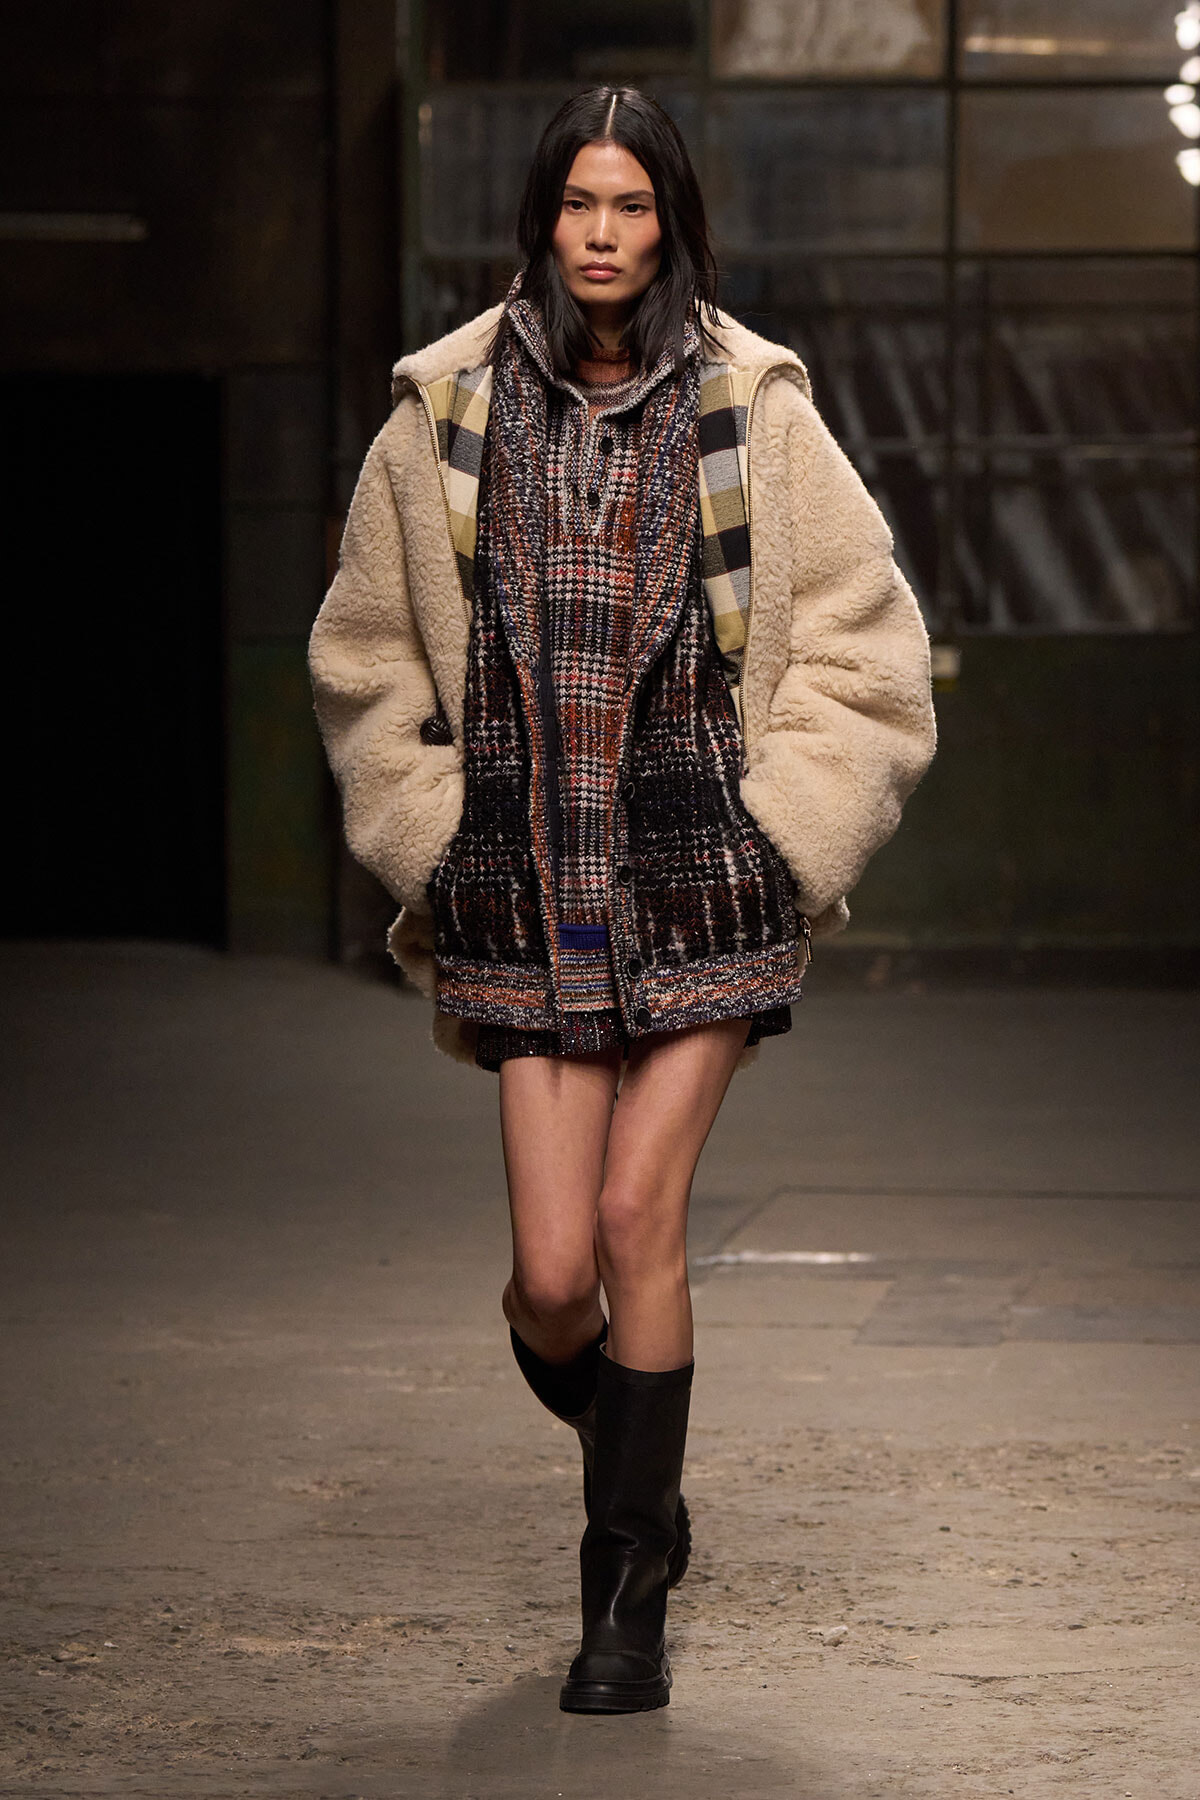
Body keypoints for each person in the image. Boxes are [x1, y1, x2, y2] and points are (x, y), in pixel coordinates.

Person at [308, 85, 936, 1716]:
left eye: (633, 207)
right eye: (581, 204)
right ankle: (646, 1471)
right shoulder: (442, 412)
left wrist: (784, 829)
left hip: (701, 883)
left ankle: (624, 1596)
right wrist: (431, 833)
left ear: (673, 221)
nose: (603, 235)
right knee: (550, 1279)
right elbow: (364, 655)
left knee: (638, 1222)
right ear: (545, 215)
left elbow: (870, 641)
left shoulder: (751, 406)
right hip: (521, 886)